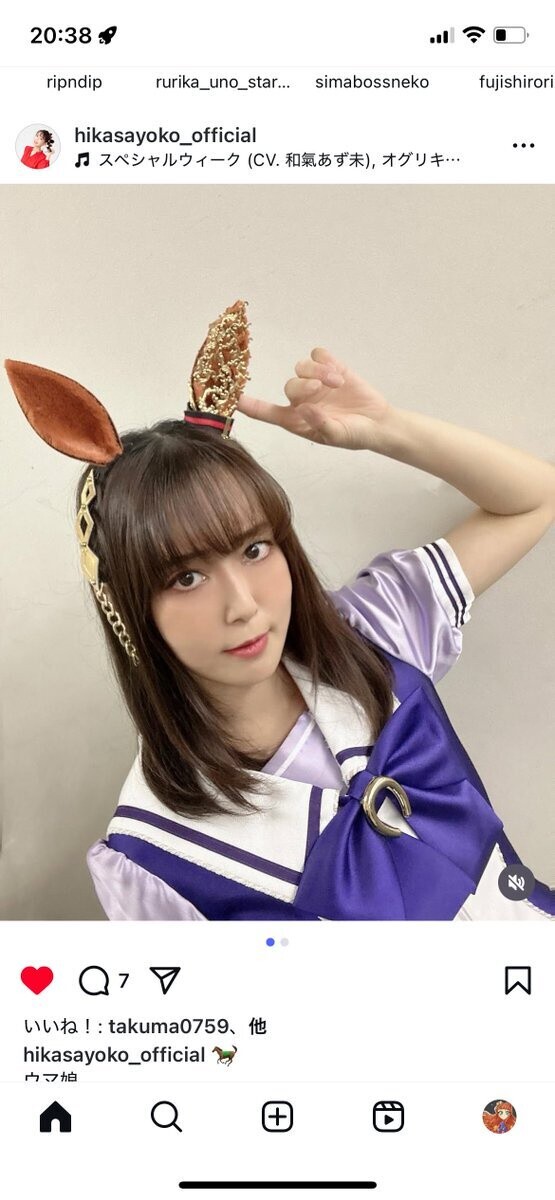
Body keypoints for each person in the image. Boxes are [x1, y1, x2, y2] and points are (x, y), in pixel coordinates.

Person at [6, 301, 555, 921]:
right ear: (128, 606)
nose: (242, 605)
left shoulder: (372, 632)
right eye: (186, 577)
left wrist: (383, 430)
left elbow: (533, 499)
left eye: (254, 549)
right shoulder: (154, 854)